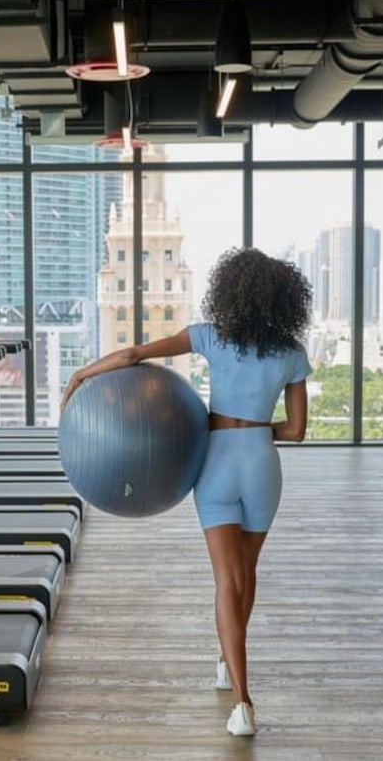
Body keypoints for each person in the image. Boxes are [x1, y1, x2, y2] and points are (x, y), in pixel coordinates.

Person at [61, 247, 312, 737]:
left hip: (217, 464)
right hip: (261, 463)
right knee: (247, 572)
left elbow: (133, 355)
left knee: (225, 579)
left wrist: (81, 374)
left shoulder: (209, 336)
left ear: (230, 292)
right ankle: (228, 662)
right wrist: (256, 430)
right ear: (285, 300)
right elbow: (298, 430)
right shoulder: (292, 353)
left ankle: (242, 700)